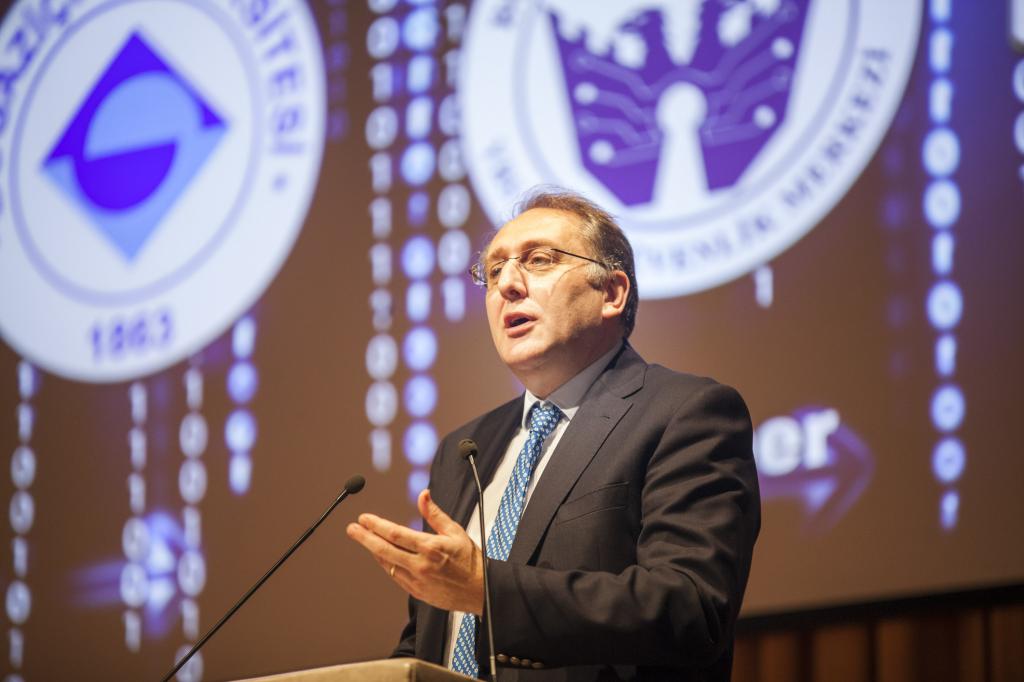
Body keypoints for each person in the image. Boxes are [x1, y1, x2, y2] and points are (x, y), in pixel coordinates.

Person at [346, 189, 760, 681]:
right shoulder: (463, 450)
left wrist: (486, 589)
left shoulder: (685, 413)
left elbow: (690, 608)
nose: (507, 285)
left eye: (539, 260)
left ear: (612, 293)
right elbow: (431, 639)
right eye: (493, 271)